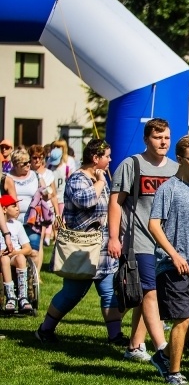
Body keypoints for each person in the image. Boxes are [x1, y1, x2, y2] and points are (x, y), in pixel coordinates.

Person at [34, 139, 128, 346]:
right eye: (107, 156)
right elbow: (85, 201)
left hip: (102, 247)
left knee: (109, 292)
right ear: (95, 158)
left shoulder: (100, 178)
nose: (110, 160)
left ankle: (115, 336)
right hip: (82, 248)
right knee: (72, 294)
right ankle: (45, 330)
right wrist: (101, 182)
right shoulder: (78, 178)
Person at [108, 118, 178, 367]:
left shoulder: (175, 169)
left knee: (146, 293)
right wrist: (114, 237)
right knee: (150, 292)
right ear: (146, 139)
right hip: (138, 239)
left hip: (165, 244)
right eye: (158, 137)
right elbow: (115, 202)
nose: (163, 142)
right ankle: (162, 349)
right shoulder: (132, 165)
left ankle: (135, 345)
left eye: (167, 137)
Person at [148, 135, 189, 385]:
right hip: (172, 265)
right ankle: (174, 373)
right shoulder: (168, 189)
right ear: (180, 159)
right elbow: (154, 225)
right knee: (182, 318)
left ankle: (163, 356)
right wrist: (174, 254)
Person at [8, 148, 57, 279]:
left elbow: (48, 192)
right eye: (24, 163)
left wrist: (46, 193)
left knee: (34, 252)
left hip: (32, 221)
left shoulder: (36, 176)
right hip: (12, 222)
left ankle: (32, 280)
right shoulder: (7, 177)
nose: (28, 165)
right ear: (16, 164)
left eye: (29, 162)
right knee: (14, 252)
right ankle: (17, 277)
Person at [0, 195, 33, 312]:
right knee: (4, 259)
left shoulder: (17, 225)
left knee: (20, 257)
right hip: (2, 257)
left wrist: (15, 252)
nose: (17, 208)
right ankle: (11, 297)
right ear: (4, 209)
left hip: (14, 255)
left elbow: (28, 249)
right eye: (13, 206)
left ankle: (23, 297)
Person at [28, 144, 59, 249]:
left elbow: (54, 195)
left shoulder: (49, 173)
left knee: (39, 240)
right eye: (34, 157)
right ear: (30, 158)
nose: (37, 160)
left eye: (40, 157)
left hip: (45, 211)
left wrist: (58, 215)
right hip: (31, 210)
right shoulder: (27, 172)